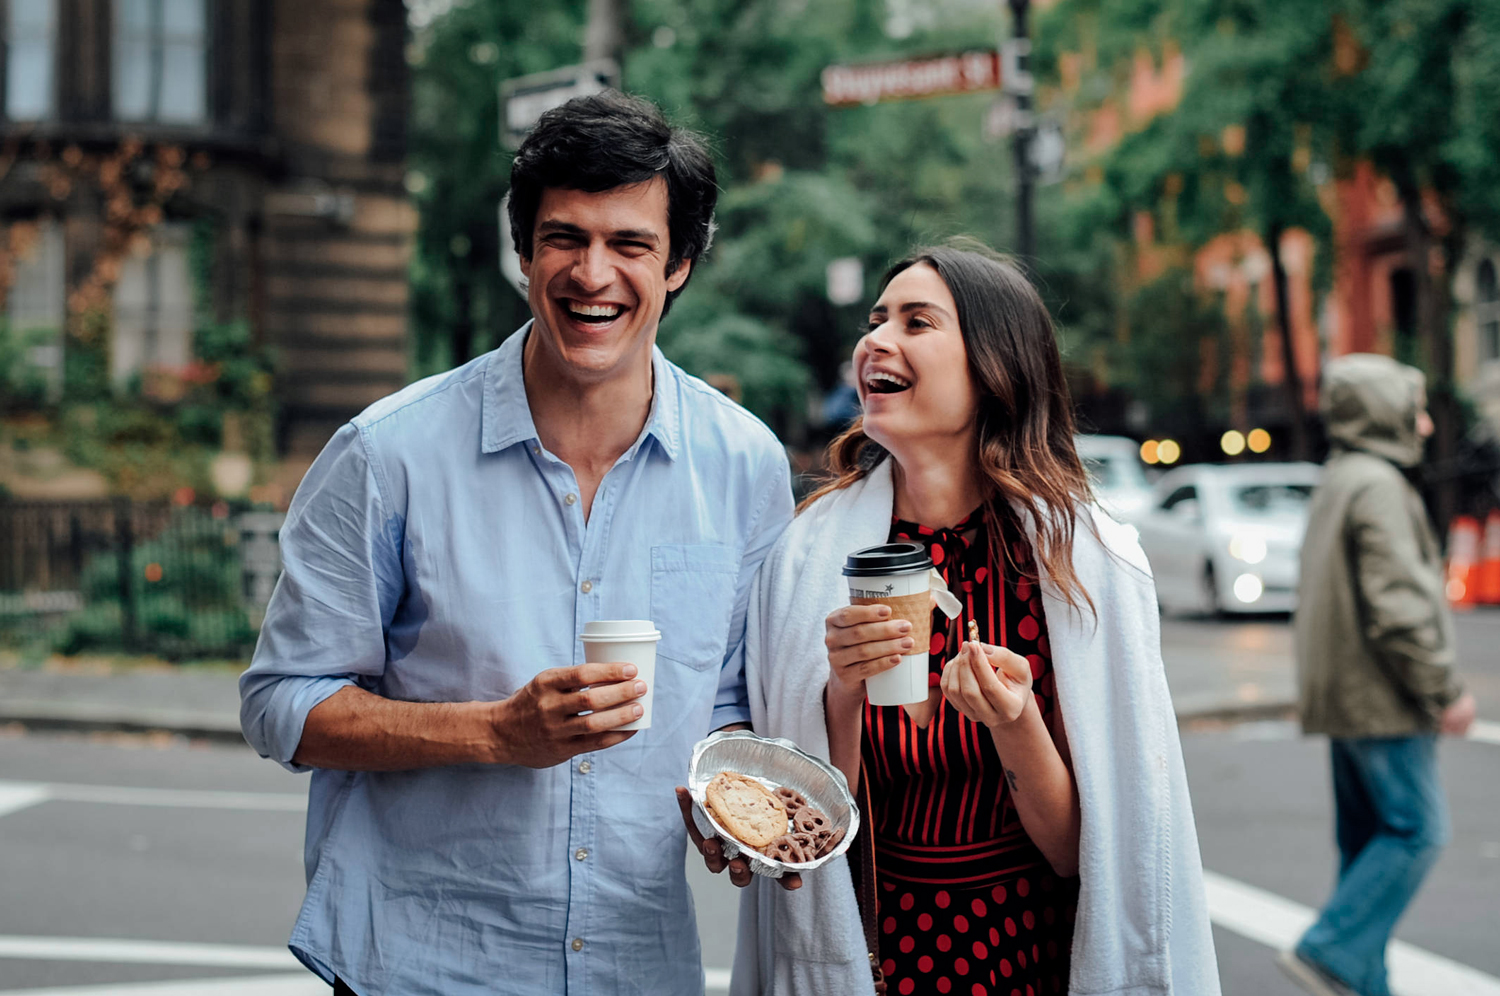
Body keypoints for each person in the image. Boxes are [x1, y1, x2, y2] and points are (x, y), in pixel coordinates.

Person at [239, 91, 795, 996]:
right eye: (565, 238)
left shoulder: (746, 465)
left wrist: (733, 808)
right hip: (419, 965)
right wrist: (494, 732)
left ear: (681, 264)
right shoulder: (390, 453)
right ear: (525, 252)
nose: (592, 273)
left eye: (630, 244)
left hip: (635, 965)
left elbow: (731, 704)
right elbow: (281, 705)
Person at [715, 241, 1220, 995]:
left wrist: (1016, 723)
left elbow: (1089, 850)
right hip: (881, 952)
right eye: (876, 319)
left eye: (918, 323)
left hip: (1028, 955)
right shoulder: (810, 557)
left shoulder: (1077, 562)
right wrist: (841, 693)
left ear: (994, 367)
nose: (876, 340)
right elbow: (812, 838)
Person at [1280, 353, 1476, 996]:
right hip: (1383, 697)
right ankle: (1331, 952)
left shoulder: (1342, 478)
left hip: (1346, 697)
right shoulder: (1380, 486)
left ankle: (1361, 980)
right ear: (1383, 413)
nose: (1423, 425)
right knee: (1419, 830)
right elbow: (1399, 607)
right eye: (1413, 410)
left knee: (1366, 846)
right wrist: (1443, 689)